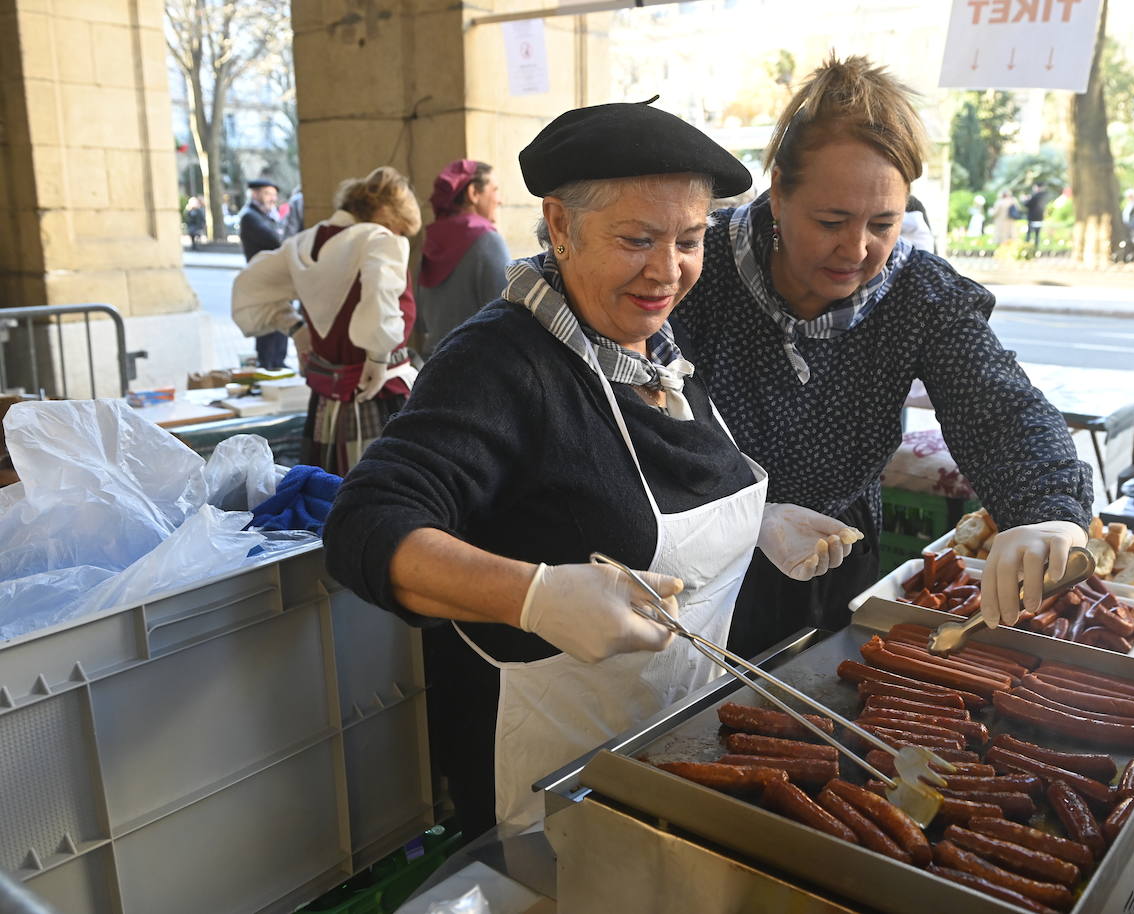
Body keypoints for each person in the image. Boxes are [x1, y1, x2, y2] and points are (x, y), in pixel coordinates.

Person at [321, 101, 860, 838]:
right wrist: (534, 595)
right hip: (547, 775)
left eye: (691, 241)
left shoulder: (653, 346)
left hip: (671, 739)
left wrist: (757, 524)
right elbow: (364, 526)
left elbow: (624, 493)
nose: (668, 270)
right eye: (638, 239)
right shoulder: (500, 364)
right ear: (563, 226)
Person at [674, 55, 1093, 659]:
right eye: (831, 220)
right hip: (701, 566)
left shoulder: (918, 293)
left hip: (842, 558)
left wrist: (1046, 511)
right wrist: (745, 514)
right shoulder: (694, 268)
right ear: (779, 191)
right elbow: (636, 420)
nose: (857, 248)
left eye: (884, 223)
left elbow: (1001, 409)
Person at [232, 166, 422, 473]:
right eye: (400, 227)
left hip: (327, 407)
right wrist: (377, 356)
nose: (399, 234)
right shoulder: (380, 239)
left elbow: (248, 288)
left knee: (330, 493)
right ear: (388, 214)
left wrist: (296, 328)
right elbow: (381, 298)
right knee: (384, 495)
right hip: (379, 397)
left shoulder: (305, 242)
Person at [414, 159, 511, 356]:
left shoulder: (431, 242)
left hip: (434, 365)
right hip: (478, 366)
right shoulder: (487, 241)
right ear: (473, 193)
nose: (500, 199)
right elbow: (509, 316)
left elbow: (420, 322)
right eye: (495, 189)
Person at [238, 177, 289, 368]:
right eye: (268, 194)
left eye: (274, 195)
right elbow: (277, 240)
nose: (272, 199)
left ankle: (278, 361)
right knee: (269, 323)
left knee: (282, 319)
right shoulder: (250, 217)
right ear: (256, 194)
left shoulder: (268, 216)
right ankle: (269, 363)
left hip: (275, 278)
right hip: (264, 279)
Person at [1021, 180, 1050, 248]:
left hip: (1032, 217)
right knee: (1037, 233)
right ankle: (1036, 246)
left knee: (1029, 233)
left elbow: (1027, 204)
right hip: (1040, 217)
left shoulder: (1036, 196)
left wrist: (1024, 200)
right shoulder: (1044, 195)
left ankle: (1027, 247)